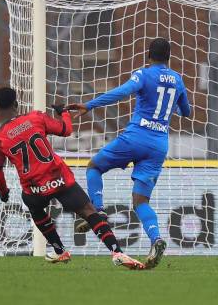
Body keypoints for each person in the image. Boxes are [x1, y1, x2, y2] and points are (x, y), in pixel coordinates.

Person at [66, 38, 191, 269]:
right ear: (169, 57)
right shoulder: (177, 79)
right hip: (158, 145)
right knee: (141, 201)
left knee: (94, 166)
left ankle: (99, 211)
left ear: (148, 56)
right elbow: (187, 112)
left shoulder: (143, 74)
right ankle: (156, 239)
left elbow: (122, 91)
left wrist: (90, 105)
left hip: (136, 137)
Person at [0, 87, 145, 269]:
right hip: (58, 178)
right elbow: (66, 130)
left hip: (33, 188)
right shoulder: (35, 117)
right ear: (16, 104)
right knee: (88, 211)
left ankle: (60, 250)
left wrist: (3, 192)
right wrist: (63, 113)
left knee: (35, 208)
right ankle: (117, 252)